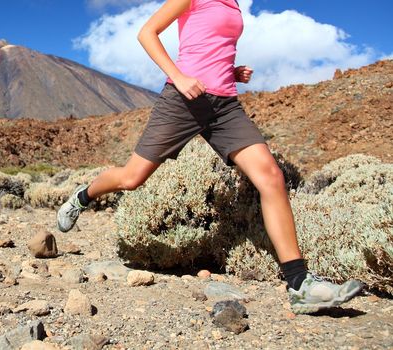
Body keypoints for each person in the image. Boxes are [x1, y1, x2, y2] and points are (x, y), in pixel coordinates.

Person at [56, 0, 362, 314]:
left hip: (225, 106)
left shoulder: (233, 5)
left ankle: (299, 284)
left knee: (271, 177)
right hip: (182, 100)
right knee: (131, 178)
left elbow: (209, 47)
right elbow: (147, 33)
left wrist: (231, 71)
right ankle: (83, 195)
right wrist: (179, 76)